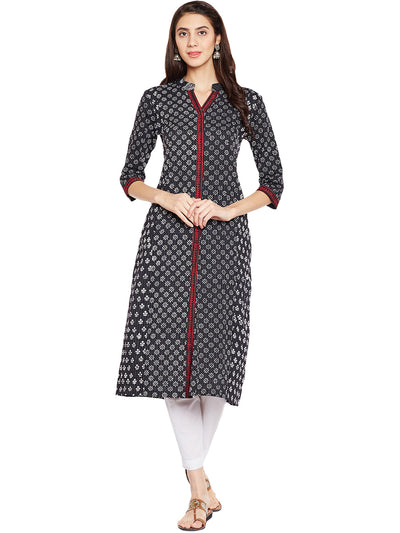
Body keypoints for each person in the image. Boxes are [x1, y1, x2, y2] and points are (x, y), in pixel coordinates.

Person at [115, 1, 284, 529]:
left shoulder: (246, 101)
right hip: (166, 240)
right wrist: (169, 198)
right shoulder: (157, 99)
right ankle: (197, 488)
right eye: (182, 33)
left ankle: (198, 477)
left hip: (224, 242)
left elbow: (273, 181)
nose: (191, 42)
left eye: (201, 32)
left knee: (213, 364)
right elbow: (129, 176)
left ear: (218, 40)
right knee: (171, 361)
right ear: (175, 42)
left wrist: (227, 209)